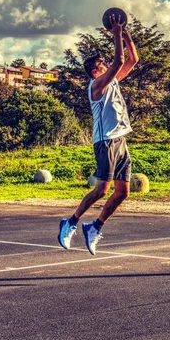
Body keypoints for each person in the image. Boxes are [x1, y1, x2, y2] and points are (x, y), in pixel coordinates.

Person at [58, 14, 139, 255]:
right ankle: (70, 222)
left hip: (120, 140)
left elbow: (132, 59)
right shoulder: (96, 86)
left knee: (122, 192)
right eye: (102, 64)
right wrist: (115, 36)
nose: (107, 64)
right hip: (104, 142)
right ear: (96, 71)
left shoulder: (112, 81)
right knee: (102, 189)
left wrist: (125, 34)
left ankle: (95, 227)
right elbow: (118, 61)